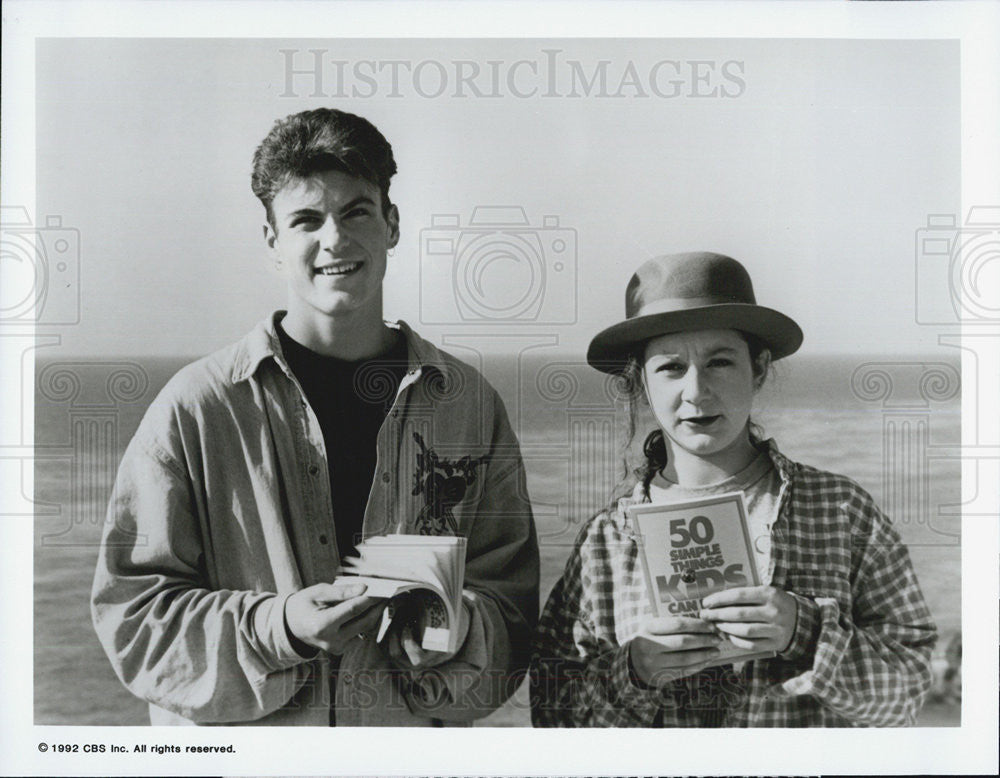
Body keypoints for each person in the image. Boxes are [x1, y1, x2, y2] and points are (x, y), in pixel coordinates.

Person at [91, 108, 539, 726]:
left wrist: (454, 627)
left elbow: (513, 614)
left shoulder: (467, 404)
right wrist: (283, 627)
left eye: (356, 210)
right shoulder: (196, 407)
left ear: (392, 223)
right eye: (306, 219)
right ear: (273, 242)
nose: (335, 238)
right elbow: (133, 620)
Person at [530, 251, 937, 727]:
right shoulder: (605, 541)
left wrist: (804, 634)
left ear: (759, 368)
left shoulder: (841, 510)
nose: (697, 391)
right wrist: (633, 672)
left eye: (720, 362)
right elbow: (552, 716)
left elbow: (908, 690)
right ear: (640, 381)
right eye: (670, 367)